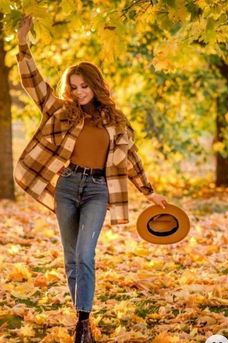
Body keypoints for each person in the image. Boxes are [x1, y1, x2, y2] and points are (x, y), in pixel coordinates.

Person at [15, 14, 168, 343]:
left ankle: (83, 324)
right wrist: (23, 44)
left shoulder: (115, 120)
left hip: (98, 190)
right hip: (67, 186)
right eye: (74, 87)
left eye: (84, 86)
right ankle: (82, 316)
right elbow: (34, 83)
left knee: (85, 253)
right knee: (71, 257)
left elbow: (131, 159)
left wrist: (150, 192)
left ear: (95, 86)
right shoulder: (61, 112)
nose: (79, 91)